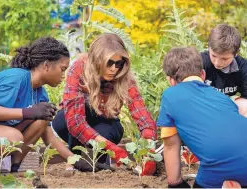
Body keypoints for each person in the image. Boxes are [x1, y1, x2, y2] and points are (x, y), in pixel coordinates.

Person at [0, 37, 97, 175]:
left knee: (41, 120)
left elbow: (50, 138)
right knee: (14, 137)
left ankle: (14, 168)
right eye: (62, 69)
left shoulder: (40, 93)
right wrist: (28, 112)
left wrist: (77, 161)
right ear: (46, 65)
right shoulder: (16, 77)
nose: (64, 75)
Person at [52, 33, 158, 176]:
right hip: (76, 121)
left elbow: (142, 115)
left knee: (105, 132)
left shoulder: (124, 77)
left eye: (118, 63)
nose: (114, 69)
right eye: (109, 63)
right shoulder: (79, 68)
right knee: (62, 120)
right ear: (97, 61)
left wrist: (149, 148)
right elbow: (75, 122)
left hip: (107, 122)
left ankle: (102, 164)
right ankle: (74, 159)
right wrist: (115, 150)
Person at [157, 46, 247, 188]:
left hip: (218, 167)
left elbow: (171, 144)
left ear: (171, 81)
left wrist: (175, 183)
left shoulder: (170, 95)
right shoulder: (221, 97)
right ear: (203, 74)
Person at [201, 24, 247, 117]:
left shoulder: (243, 68)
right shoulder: (199, 62)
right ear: (209, 47)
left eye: (224, 59)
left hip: (226, 108)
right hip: (202, 107)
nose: (217, 63)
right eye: (213, 56)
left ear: (236, 53)